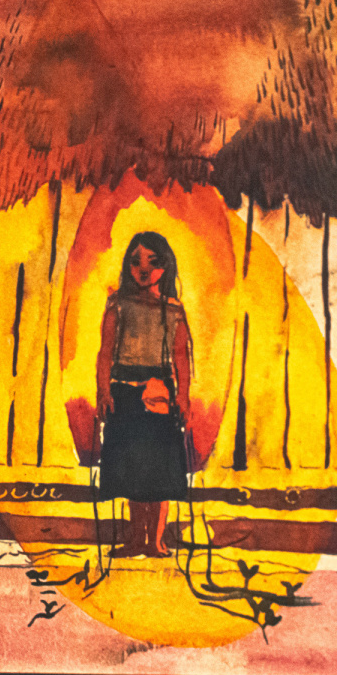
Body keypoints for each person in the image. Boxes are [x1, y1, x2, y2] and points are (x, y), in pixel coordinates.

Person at [95, 232, 193, 557]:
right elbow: (105, 351)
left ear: (165, 265)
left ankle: (157, 541)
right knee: (133, 470)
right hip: (124, 393)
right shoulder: (118, 304)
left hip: (160, 393)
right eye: (136, 261)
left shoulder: (174, 309)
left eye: (153, 261)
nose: (144, 269)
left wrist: (183, 396)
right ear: (128, 266)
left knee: (160, 469)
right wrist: (103, 391)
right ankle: (137, 539)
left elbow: (181, 357)